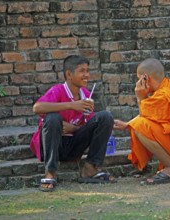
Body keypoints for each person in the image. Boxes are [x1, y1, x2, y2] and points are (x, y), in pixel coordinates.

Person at [30, 55, 115, 192]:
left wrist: (74, 128)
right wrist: (72, 105)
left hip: (73, 146)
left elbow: (88, 125)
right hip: (52, 146)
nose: (86, 75)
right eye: (82, 71)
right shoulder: (57, 90)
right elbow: (37, 108)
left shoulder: (86, 94)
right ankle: (50, 172)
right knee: (53, 118)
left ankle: (90, 168)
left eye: (87, 70)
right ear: (69, 74)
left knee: (105, 117)